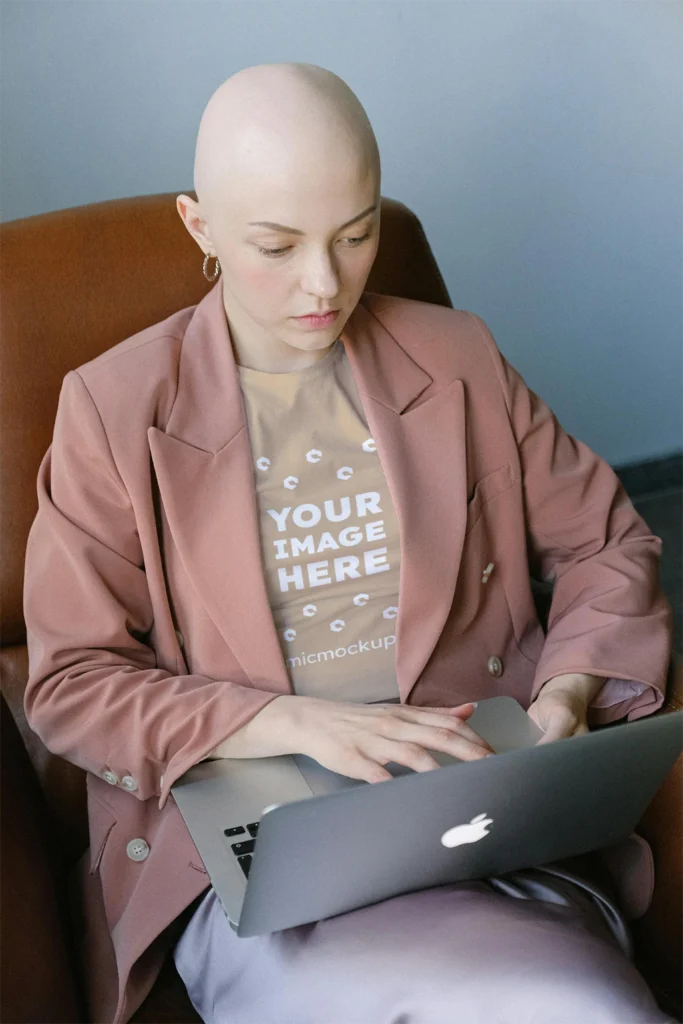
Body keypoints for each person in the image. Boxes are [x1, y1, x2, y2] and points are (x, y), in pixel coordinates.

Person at [22, 62, 675, 1024]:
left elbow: (607, 546)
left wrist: (567, 692)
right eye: (276, 247)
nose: (323, 285)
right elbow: (70, 682)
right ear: (199, 227)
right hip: (261, 847)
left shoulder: (457, 358)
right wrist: (296, 723)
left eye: (356, 233)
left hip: (478, 812)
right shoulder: (115, 410)